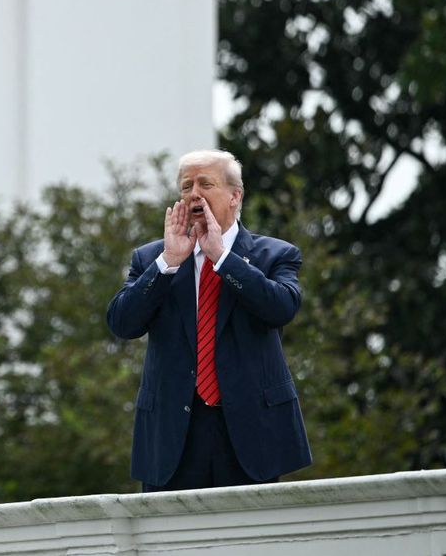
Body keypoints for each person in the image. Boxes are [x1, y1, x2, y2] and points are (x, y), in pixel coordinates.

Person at [106, 149, 311, 491]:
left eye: (206, 184)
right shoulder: (151, 258)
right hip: (173, 434)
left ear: (235, 196)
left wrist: (222, 257)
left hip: (250, 432)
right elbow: (122, 324)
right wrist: (168, 262)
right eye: (186, 187)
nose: (194, 194)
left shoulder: (276, 254)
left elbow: (281, 308)